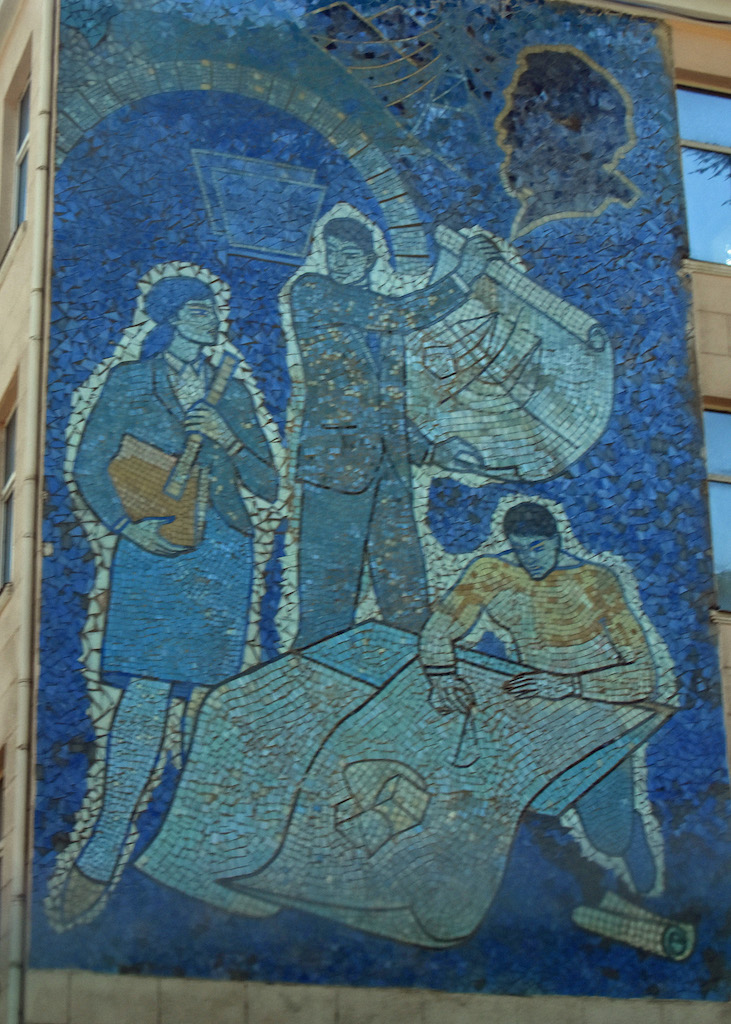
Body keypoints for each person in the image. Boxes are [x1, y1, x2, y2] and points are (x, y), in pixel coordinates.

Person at [60, 273, 278, 922]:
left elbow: (269, 484)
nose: (213, 316)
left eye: (215, 307)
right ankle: (105, 842)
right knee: (147, 692)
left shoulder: (231, 390)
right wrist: (126, 528)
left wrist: (228, 437)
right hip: (154, 545)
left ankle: (199, 844)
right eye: (200, 308)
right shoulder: (131, 381)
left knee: (210, 699)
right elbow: (88, 463)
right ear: (171, 317)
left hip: (223, 549)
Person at [419, 501, 674, 893]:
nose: (529, 559)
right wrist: (441, 675)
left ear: (557, 539)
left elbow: (642, 678)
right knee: (468, 785)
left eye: (538, 548)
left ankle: (634, 850)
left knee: (608, 834)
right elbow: (438, 631)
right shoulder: (491, 573)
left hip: (592, 712)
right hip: (530, 706)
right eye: (520, 549)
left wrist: (570, 684)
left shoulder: (595, 581)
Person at [287, 214, 494, 648]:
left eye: (350, 255)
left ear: (369, 259)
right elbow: (402, 313)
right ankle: (311, 677)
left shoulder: (384, 327)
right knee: (327, 596)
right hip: (334, 472)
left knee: (407, 593)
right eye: (332, 254)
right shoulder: (312, 292)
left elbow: (386, 408)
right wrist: (464, 276)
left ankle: (420, 674)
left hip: (390, 473)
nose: (340, 263)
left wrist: (431, 451)